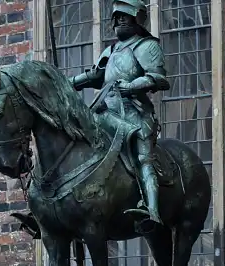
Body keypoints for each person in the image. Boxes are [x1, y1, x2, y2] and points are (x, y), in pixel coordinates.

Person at [69, 0, 175, 226]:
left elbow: (159, 78)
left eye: (123, 17)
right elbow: (95, 76)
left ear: (137, 19)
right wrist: (68, 83)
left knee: (143, 159)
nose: (118, 21)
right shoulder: (110, 50)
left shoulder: (147, 47)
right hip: (105, 112)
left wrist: (132, 86)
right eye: (116, 17)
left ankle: (152, 211)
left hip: (134, 114)